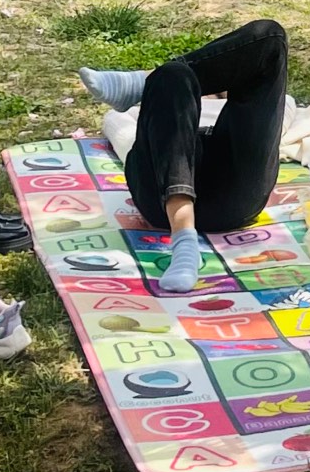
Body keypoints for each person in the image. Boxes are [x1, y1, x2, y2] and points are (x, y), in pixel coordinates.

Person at [83, 20, 289, 295]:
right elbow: (123, 132)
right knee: (172, 75)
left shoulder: (245, 105)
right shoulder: (172, 93)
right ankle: (184, 241)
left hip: (232, 194)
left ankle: (142, 82)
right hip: (160, 197)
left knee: (271, 37)